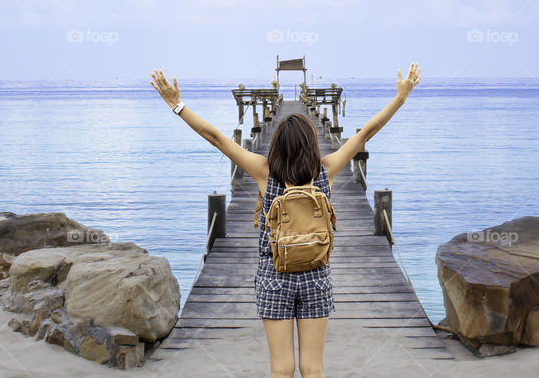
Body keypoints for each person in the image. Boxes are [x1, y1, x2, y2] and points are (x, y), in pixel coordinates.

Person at [150, 63, 422, 378]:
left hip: (273, 274)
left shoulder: (264, 172)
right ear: (311, 143)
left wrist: (177, 105)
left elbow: (217, 139)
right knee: (313, 368)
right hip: (316, 273)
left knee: (281, 369)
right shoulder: (326, 170)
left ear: (277, 144)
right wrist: (401, 98)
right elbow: (367, 132)